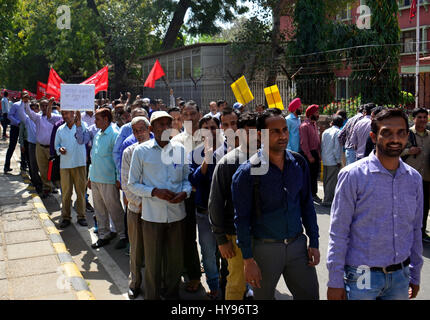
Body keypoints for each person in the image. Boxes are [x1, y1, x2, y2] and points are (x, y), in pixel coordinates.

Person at [327, 108, 423, 300]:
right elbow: (339, 231)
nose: (394, 139)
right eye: (386, 133)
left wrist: (415, 273)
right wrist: (335, 281)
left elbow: (415, 229)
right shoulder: (352, 176)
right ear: (373, 136)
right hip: (362, 276)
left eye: (401, 133)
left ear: (407, 136)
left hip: (400, 277)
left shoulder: (413, 179)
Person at [232, 108, 320, 300]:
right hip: (264, 250)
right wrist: (248, 261)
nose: (283, 136)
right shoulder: (246, 174)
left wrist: (314, 241)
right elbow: (242, 220)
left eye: (285, 130)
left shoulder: (299, 163)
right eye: (275, 131)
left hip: (298, 246)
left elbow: (307, 205)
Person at [127, 111, 192, 300]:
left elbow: (186, 180)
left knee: (175, 263)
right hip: (152, 217)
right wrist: (154, 192)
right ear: (151, 129)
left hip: (177, 215)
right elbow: (132, 184)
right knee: (153, 264)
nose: (164, 128)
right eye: (160, 125)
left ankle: (172, 296)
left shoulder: (180, 150)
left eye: (167, 124)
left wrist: (184, 193)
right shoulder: (141, 151)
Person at [208, 112, 258, 300]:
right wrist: (221, 239)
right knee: (236, 283)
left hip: (264, 234)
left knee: (261, 282)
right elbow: (215, 204)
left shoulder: (271, 160)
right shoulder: (227, 163)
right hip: (235, 235)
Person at [188, 115, 223, 299]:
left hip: (225, 213)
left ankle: (229, 283)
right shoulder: (195, 154)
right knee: (208, 252)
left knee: (227, 251)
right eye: (205, 128)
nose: (210, 131)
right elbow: (193, 180)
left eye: (213, 127)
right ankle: (214, 285)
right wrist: (206, 159)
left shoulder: (231, 152)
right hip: (203, 212)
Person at [171, 100, 203, 293]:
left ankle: (216, 277)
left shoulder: (213, 137)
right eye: (186, 114)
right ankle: (194, 274)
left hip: (209, 197)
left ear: (199, 114)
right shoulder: (175, 141)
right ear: (181, 118)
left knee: (213, 240)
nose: (190, 118)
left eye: (193, 114)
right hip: (187, 197)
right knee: (188, 237)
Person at [86, 108, 127, 250]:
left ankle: (123, 235)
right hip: (96, 177)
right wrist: (90, 177)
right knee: (99, 209)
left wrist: (118, 178)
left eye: (97, 119)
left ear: (106, 119)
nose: (95, 121)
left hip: (108, 179)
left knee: (114, 209)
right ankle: (104, 235)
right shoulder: (98, 134)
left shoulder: (114, 134)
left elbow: (117, 158)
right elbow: (94, 157)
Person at [121, 116, 151, 299]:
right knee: (136, 249)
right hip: (136, 210)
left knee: (155, 250)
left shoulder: (159, 150)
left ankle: (156, 283)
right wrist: (141, 204)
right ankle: (135, 282)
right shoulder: (128, 152)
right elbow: (126, 184)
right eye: (136, 131)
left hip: (156, 211)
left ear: (149, 129)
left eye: (142, 129)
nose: (139, 133)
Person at [54, 110, 88, 228]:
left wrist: (79, 120)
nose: (64, 116)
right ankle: (66, 217)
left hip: (79, 163)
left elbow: (85, 139)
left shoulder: (82, 125)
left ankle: (81, 216)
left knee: (80, 192)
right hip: (65, 165)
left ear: (73, 114)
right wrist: (60, 149)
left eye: (67, 113)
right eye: (63, 114)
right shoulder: (60, 129)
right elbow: (56, 145)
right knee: (66, 193)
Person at [402, 108, 430, 244]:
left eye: (425, 117)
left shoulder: (429, 135)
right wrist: (409, 150)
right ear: (414, 119)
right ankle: (406, 232)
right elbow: (397, 152)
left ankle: (421, 232)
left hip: (426, 177)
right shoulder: (407, 134)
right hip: (409, 178)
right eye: (420, 117)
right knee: (408, 206)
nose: (423, 120)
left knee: (424, 207)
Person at [24, 97, 62, 196]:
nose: (45, 107)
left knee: (52, 169)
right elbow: (28, 111)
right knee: (43, 168)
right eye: (43, 106)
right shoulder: (37, 117)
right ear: (40, 107)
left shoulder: (55, 117)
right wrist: (26, 102)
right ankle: (46, 187)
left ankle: (53, 186)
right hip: (40, 147)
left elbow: (66, 119)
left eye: (46, 105)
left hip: (51, 147)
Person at [16, 101, 43, 193]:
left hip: (42, 146)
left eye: (36, 108)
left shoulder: (42, 118)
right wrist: (24, 102)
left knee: (43, 167)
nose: (35, 110)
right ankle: (37, 184)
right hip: (32, 145)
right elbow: (20, 112)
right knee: (33, 166)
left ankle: (46, 186)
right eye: (32, 108)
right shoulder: (27, 119)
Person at [299, 104, 321, 202]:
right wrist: (309, 156)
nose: (318, 114)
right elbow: (304, 143)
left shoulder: (314, 124)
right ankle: (309, 195)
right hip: (308, 154)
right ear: (311, 113)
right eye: (316, 112)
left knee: (314, 175)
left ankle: (314, 193)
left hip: (315, 153)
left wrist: (318, 154)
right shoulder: (304, 126)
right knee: (309, 175)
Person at [321, 115, 343, 207]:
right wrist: (338, 161)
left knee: (326, 180)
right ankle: (328, 200)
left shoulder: (326, 131)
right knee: (331, 181)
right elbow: (337, 148)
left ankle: (326, 197)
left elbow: (322, 145)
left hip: (325, 158)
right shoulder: (338, 132)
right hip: (333, 160)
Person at [4, 92, 28, 173]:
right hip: (15, 127)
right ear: (21, 96)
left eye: (27, 96)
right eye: (24, 96)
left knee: (24, 145)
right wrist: (17, 122)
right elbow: (10, 115)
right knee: (12, 146)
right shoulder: (16, 105)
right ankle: (6, 166)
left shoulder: (29, 105)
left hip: (25, 129)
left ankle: (23, 165)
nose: (26, 97)